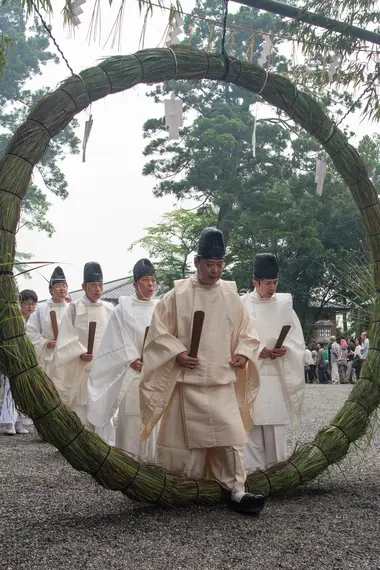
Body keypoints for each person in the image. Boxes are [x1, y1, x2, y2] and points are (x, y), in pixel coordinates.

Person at [140, 227, 264, 514]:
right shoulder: (176, 295)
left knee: (231, 439)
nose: (216, 271)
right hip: (187, 383)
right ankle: (181, 488)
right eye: (210, 264)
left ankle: (237, 491)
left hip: (221, 378)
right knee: (184, 445)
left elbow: (248, 331)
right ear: (197, 262)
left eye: (220, 264)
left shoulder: (232, 296)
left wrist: (244, 353)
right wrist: (177, 353)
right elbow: (158, 335)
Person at [88, 259, 158, 460]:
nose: (151, 285)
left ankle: (153, 465)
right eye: (146, 280)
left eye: (153, 280)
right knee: (131, 421)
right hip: (132, 372)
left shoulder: (161, 307)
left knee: (153, 422)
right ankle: (128, 464)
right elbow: (114, 339)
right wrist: (131, 359)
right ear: (135, 284)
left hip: (154, 373)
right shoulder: (123, 308)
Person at [241, 253, 305, 472]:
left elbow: (298, 342)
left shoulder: (285, 305)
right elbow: (234, 338)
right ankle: (253, 475)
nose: (272, 288)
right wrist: (257, 350)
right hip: (252, 373)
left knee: (276, 426)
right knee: (251, 427)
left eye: (275, 282)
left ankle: (276, 474)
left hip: (277, 374)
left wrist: (286, 349)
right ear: (255, 282)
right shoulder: (242, 305)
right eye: (267, 283)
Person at [51, 262, 114, 438]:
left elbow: (116, 339)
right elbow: (65, 339)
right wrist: (79, 353)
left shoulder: (109, 309)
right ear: (83, 287)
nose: (97, 289)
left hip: (103, 368)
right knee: (81, 408)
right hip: (79, 368)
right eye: (93, 285)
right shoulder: (73, 308)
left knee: (102, 408)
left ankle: (103, 444)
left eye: (100, 285)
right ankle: (80, 444)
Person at [1, 289, 38, 435]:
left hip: (28, 361)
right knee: (11, 391)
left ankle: (20, 423)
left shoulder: (34, 320)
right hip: (14, 359)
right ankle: (10, 423)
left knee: (25, 391)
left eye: (32, 304)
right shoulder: (14, 320)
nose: (30, 307)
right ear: (20, 304)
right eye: (27, 303)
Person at [26, 266, 69, 375]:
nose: (62, 289)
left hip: (68, 356)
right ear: (51, 290)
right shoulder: (41, 308)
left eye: (64, 286)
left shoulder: (72, 308)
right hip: (47, 356)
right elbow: (30, 331)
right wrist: (45, 343)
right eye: (58, 286)